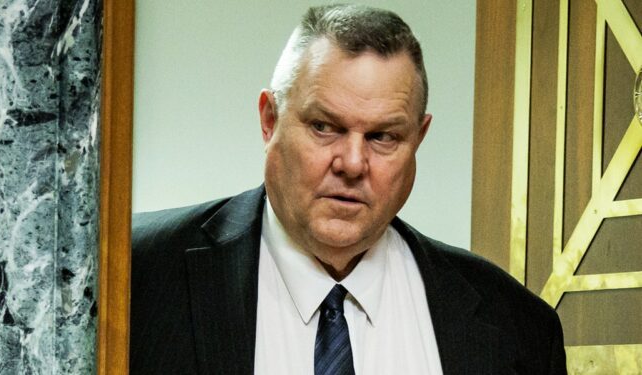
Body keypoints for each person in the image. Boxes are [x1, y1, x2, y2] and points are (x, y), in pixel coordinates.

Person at [130, 4, 567, 374]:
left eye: (383, 137)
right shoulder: (135, 275)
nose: (353, 164)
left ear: (418, 138)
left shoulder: (518, 329)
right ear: (269, 120)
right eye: (324, 127)